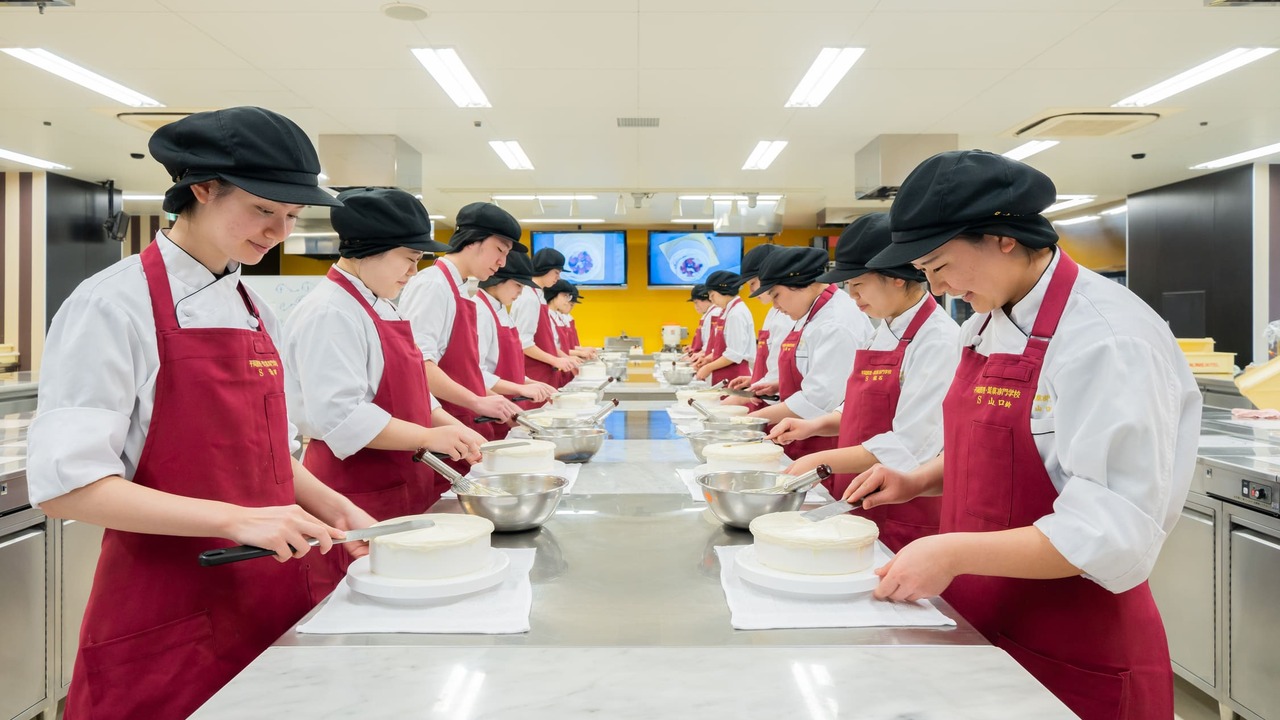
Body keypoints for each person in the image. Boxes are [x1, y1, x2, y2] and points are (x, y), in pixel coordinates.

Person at [26, 106, 378, 720]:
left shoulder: (255, 310)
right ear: (204, 189)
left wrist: (339, 508)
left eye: (292, 216)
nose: (278, 232)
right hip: (169, 607)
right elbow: (68, 488)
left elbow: (268, 455)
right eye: (264, 209)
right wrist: (234, 519)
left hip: (268, 593)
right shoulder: (111, 304)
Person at [845, 150, 1201, 719]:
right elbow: (1002, 452)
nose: (937, 286)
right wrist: (918, 479)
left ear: (1003, 239)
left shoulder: (1108, 338)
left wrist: (951, 550)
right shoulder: (986, 323)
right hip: (983, 614)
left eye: (940, 265)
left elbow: (1110, 532)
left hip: (1073, 637)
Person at [282, 187, 488, 595]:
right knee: (362, 599)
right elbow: (342, 418)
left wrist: (450, 426)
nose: (413, 272)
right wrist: (429, 436)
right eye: (409, 258)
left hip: (399, 477)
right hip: (354, 487)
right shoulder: (330, 311)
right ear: (368, 249)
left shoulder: (380, 302)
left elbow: (414, 388)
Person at [767, 213, 958, 550]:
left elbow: (910, 445)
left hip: (900, 506)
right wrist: (814, 426)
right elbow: (856, 407)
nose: (852, 296)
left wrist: (821, 461)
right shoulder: (884, 328)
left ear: (895, 276)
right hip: (858, 493)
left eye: (858, 285)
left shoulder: (938, 340)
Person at [398, 202, 525, 456]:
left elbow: (465, 371)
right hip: (446, 434)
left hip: (466, 427)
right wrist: (476, 401)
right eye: (500, 250)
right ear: (472, 240)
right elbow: (419, 366)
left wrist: (492, 400)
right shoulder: (433, 285)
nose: (502, 262)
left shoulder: (460, 288)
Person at [746, 246, 872, 460]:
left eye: (776, 295)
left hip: (826, 443)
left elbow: (819, 400)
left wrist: (750, 420)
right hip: (801, 434)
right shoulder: (811, 313)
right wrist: (779, 385)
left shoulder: (835, 323)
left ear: (801, 283)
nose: (775, 306)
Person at [474, 249, 556, 422]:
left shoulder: (500, 309)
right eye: (518, 285)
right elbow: (476, 374)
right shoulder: (479, 312)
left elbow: (508, 367)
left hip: (508, 406)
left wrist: (529, 383)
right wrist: (519, 388)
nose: (520, 292)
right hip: (491, 411)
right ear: (498, 280)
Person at [725, 244, 791, 400]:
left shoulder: (789, 314)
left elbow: (786, 372)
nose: (751, 292)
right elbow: (773, 366)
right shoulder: (773, 312)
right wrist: (755, 380)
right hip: (767, 395)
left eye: (752, 283)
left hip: (779, 401)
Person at [512, 247, 579, 386]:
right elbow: (524, 343)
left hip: (544, 371)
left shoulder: (538, 295)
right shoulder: (529, 298)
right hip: (533, 372)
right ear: (545, 269)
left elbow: (546, 343)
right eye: (556, 272)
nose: (558, 278)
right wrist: (555, 360)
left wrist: (565, 358)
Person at [693, 270, 754, 384]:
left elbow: (734, 354)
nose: (711, 299)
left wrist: (708, 367)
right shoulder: (728, 311)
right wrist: (707, 359)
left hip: (736, 375)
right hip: (727, 374)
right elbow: (723, 349)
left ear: (723, 291)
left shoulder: (736, 313)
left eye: (712, 295)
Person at [683, 283, 720, 360]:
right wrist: (693, 347)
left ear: (706, 298)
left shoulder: (715, 313)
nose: (695, 306)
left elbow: (713, 343)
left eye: (696, 302)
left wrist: (700, 354)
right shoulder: (708, 314)